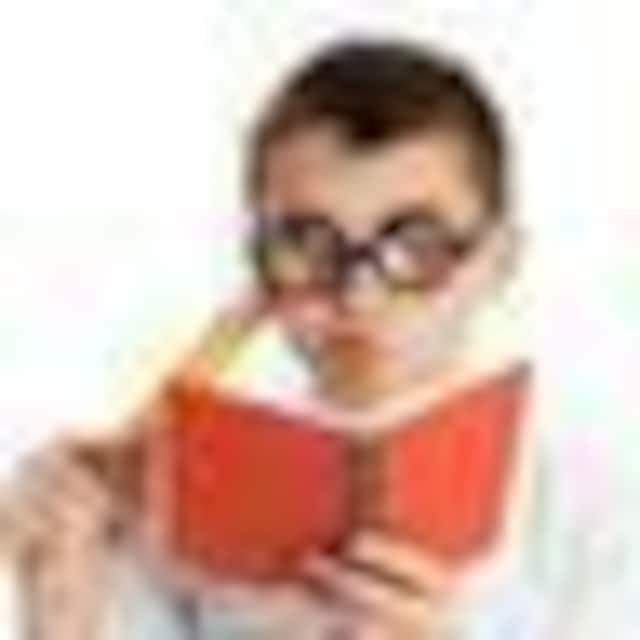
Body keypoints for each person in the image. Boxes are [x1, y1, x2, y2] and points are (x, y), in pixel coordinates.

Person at [9, 37, 633, 639]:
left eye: (417, 247)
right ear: (259, 265)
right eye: (310, 245)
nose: (358, 297)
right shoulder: (181, 485)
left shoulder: (595, 495)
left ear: (499, 261)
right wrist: (63, 596)